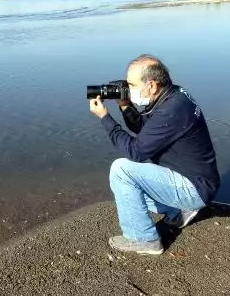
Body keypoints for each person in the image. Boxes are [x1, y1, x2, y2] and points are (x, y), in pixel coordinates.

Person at [89, 54, 220, 255]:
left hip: (194, 188)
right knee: (129, 186)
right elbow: (145, 131)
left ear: (151, 85)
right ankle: (178, 212)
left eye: (131, 85)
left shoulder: (171, 109)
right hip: (196, 180)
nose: (128, 88)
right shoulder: (172, 96)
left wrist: (105, 118)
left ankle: (143, 239)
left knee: (122, 171)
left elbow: (136, 152)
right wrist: (125, 105)